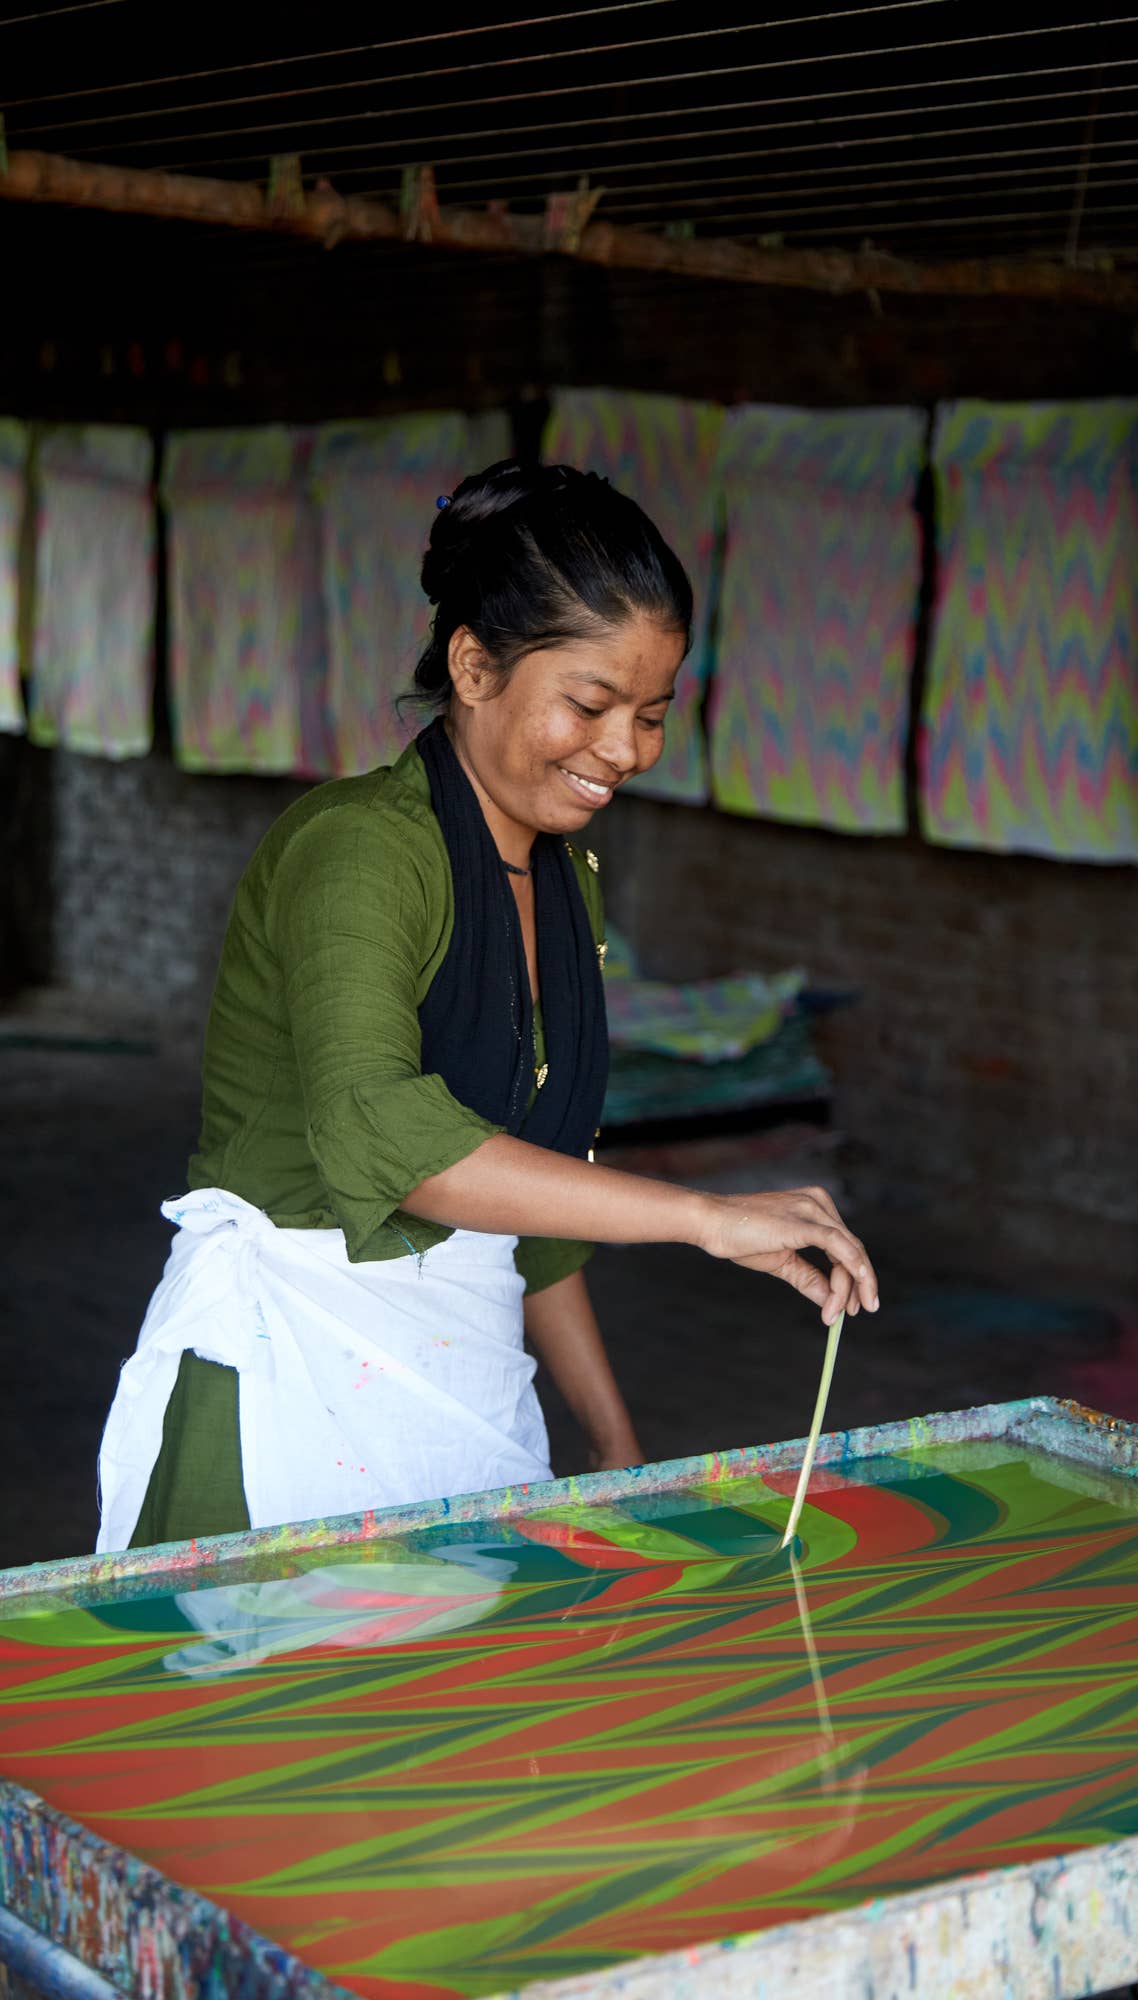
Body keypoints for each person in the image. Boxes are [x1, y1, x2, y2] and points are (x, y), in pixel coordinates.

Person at [96, 460, 879, 1553]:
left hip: (465, 1395)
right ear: (473, 665)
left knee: (466, 1711)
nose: (624, 749)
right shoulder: (359, 852)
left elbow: (533, 1200)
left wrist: (612, 1441)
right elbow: (392, 1133)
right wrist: (707, 1215)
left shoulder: (565, 884)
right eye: (590, 703)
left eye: (651, 714)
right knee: (270, 1708)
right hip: (290, 1381)